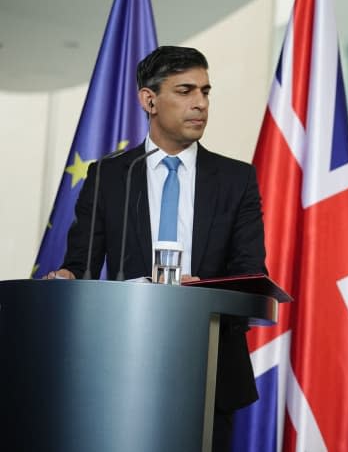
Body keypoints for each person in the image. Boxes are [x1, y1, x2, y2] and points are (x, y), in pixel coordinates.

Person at [46, 46, 266, 452]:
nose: (200, 103)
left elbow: (250, 272)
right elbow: (80, 266)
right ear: (149, 100)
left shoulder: (236, 179)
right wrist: (66, 278)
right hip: (122, 360)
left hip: (209, 367)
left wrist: (200, 293)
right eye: (185, 91)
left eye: (205, 91)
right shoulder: (110, 175)